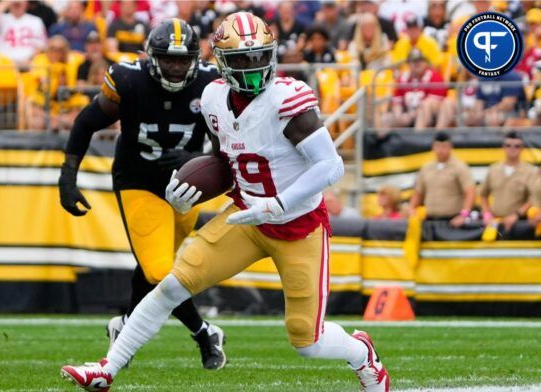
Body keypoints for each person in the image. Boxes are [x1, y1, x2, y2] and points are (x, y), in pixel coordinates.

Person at [60, 12, 390, 392]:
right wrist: (186, 192)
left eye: (259, 57)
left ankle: (362, 353)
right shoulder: (213, 97)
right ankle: (108, 368)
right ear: (220, 62)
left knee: (307, 341)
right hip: (246, 218)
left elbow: (331, 166)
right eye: (241, 61)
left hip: (298, 226)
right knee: (171, 285)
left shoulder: (287, 99)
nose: (252, 68)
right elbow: (225, 165)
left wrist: (280, 204)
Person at [58, 19, 226, 370]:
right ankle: (203, 332)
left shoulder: (211, 83)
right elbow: (85, 123)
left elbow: (226, 145)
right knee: (160, 270)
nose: (177, 67)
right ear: (151, 57)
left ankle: (125, 325)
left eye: (183, 60)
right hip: (139, 181)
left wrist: (196, 160)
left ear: (196, 58)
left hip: (186, 188)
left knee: (154, 266)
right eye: (168, 59)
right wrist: (67, 179)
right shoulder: (129, 80)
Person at [409, 132, 475, 227]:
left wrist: (464, 215)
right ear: (433, 147)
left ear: (450, 147)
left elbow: (470, 193)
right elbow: (418, 193)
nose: (441, 150)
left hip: (452, 219)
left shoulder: (459, 167)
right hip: (430, 219)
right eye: (438, 146)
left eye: (444, 146)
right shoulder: (426, 168)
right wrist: (412, 209)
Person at [480, 132, 535, 233]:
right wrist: (486, 214)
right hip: (494, 221)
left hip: (519, 223)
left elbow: (533, 198)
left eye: (517, 146)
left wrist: (517, 214)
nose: (512, 148)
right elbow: (483, 194)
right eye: (508, 145)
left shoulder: (530, 171)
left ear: (522, 148)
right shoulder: (494, 169)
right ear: (503, 147)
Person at [386, 49, 449, 130]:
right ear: (408, 64)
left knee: (425, 106)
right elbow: (397, 102)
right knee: (385, 119)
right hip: (407, 113)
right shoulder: (402, 78)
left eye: (420, 61)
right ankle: (377, 141)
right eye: (413, 61)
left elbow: (432, 103)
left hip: (431, 117)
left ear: (425, 62)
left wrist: (411, 116)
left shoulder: (434, 76)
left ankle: (417, 138)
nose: (417, 64)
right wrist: (399, 116)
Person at [0, 0, 47, 69]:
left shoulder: (36, 21)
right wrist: (9, 1)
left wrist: (30, 59)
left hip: (29, 65)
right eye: (15, 4)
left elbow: (41, 45)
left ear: (27, 3)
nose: (17, 5)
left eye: (19, 4)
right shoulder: (2, 19)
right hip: (4, 64)